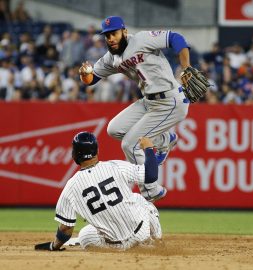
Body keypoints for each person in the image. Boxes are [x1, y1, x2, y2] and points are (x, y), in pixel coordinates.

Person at [79, 16, 191, 196]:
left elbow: (175, 38)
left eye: (114, 34)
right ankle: (165, 140)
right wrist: (85, 75)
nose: (110, 39)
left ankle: (150, 189)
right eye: (107, 36)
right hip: (149, 101)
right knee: (114, 129)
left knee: (130, 144)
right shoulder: (111, 58)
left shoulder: (141, 39)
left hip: (170, 100)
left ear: (124, 31)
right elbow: (92, 79)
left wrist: (185, 67)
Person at [34, 132, 163, 251]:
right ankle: (157, 240)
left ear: (74, 154)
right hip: (141, 234)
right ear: (97, 150)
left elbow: (66, 228)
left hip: (116, 246)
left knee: (84, 234)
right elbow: (151, 175)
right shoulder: (115, 166)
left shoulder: (71, 186)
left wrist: (54, 246)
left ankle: (122, 247)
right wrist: (148, 148)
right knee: (138, 199)